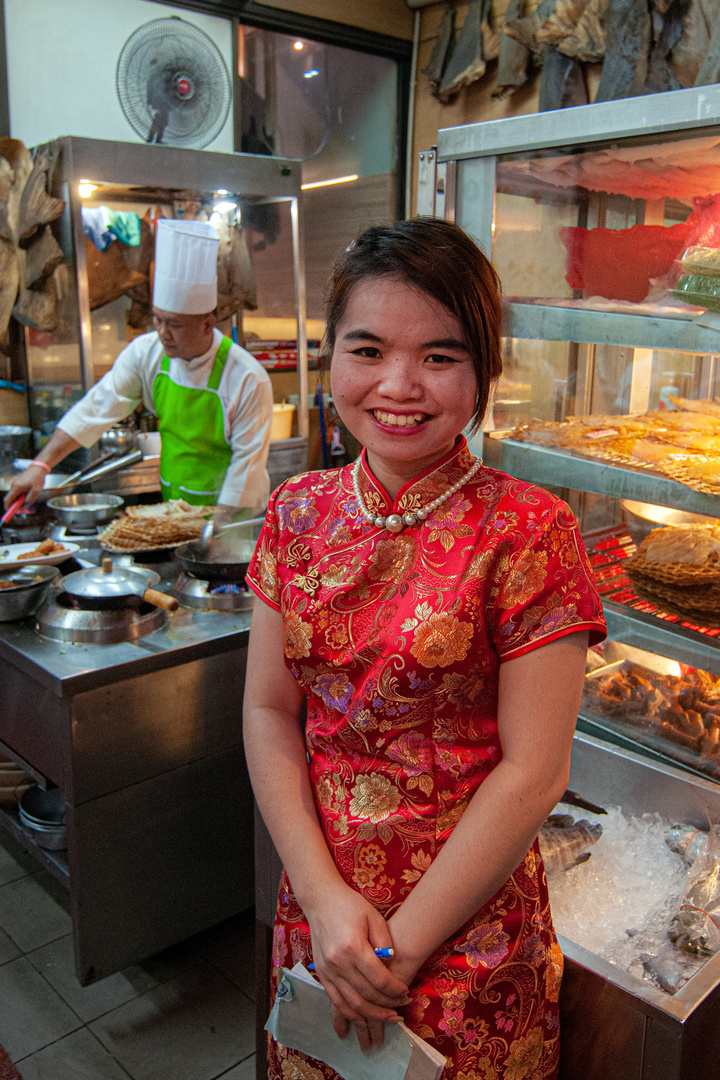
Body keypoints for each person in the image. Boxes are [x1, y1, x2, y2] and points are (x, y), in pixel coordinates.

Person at [243, 218, 606, 1080]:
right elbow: (268, 710)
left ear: (484, 372)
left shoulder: (529, 530)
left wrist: (398, 955)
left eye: (440, 356)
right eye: (368, 350)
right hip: (325, 919)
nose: (399, 385)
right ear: (333, 357)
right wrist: (327, 904)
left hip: (463, 935)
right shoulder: (296, 512)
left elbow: (534, 772)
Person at [4, 219, 273, 520]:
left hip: (234, 517)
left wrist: (216, 534)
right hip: (176, 509)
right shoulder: (147, 354)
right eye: (158, 320)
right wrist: (40, 466)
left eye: (175, 324)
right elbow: (95, 409)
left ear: (208, 324)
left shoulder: (247, 377)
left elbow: (245, 469)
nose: (163, 333)